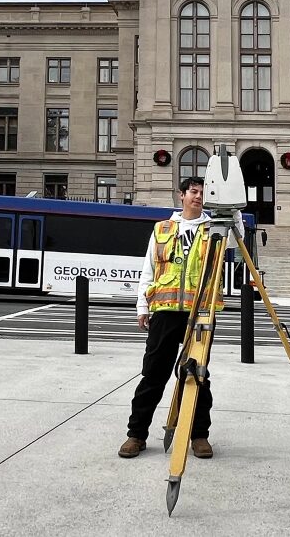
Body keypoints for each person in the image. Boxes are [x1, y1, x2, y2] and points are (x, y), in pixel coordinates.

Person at [118, 176, 243, 459]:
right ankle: (136, 435)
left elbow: (239, 238)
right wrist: (142, 306)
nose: (198, 197)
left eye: (203, 193)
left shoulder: (215, 228)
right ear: (182, 196)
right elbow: (148, 269)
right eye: (193, 192)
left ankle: (199, 436)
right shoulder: (162, 228)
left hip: (200, 313)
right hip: (164, 312)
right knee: (153, 375)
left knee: (198, 376)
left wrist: (232, 205)